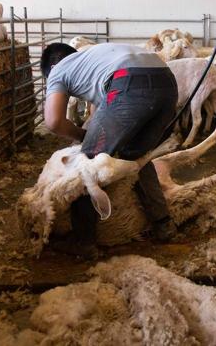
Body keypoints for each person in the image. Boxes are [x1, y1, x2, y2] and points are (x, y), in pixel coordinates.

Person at [41, 42, 179, 251]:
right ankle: (163, 224)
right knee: (137, 157)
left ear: (51, 68)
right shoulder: (93, 59)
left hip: (128, 83)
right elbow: (102, 113)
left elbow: (53, 122)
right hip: (167, 82)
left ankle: (83, 241)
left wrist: (82, 136)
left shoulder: (58, 70)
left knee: (87, 163)